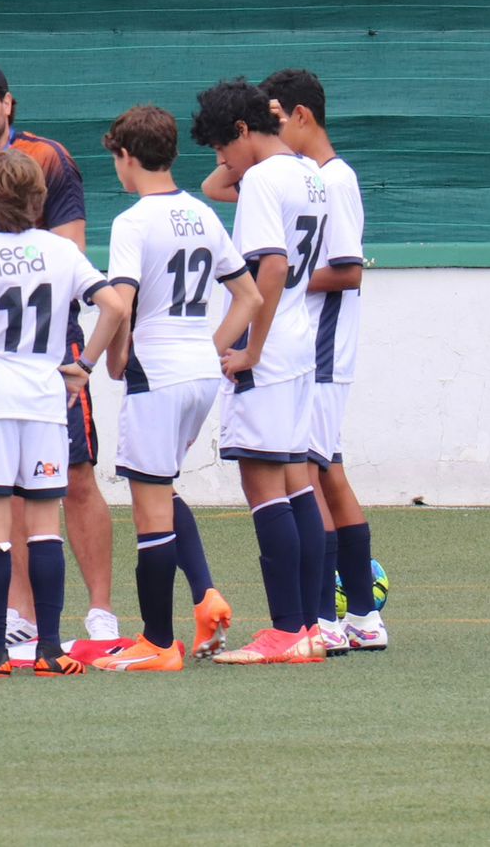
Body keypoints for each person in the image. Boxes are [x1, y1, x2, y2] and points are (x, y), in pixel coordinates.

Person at [0, 58, 119, 645]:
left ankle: (100, 611)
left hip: (48, 349)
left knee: (75, 476)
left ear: (7, 103)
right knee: (13, 489)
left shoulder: (49, 157)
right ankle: (22, 620)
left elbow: (70, 249)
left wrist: (78, 364)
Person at [75, 107, 261, 674]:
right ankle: (205, 597)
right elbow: (249, 298)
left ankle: (158, 643)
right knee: (162, 490)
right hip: (199, 374)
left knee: (150, 509)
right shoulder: (202, 214)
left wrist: (89, 361)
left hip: (157, 376)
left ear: (126, 158)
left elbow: (120, 302)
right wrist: (211, 350)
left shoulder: (134, 221)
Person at [189, 78, 329, 665]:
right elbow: (219, 184)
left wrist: (249, 349)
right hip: (301, 345)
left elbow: (269, 268)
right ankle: (311, 625)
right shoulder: (306, 171)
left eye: (224, 146)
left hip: (268, 352)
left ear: (244, 131)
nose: (221, 163)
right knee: (297, 481)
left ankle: (285, 631)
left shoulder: (265, 181)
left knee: (263, 483)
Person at [256, 69, 386, 654]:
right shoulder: (300, 179)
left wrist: (281, 279)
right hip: (313, 346)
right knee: (325, 468)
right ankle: (358, 613)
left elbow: (350, 267)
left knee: (312, 472)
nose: (268, 129)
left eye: (277, 117)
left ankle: (334, 616)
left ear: (302, 115)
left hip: (323, 345)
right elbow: (217, 183)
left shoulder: (335, 179)